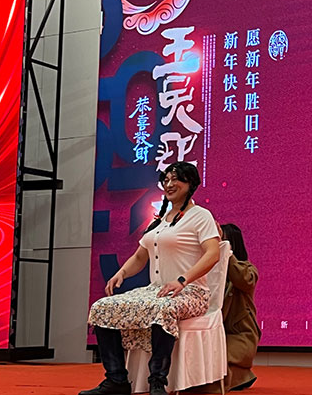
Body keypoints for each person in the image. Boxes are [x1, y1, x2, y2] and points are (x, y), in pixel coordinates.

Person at [80, 162, 221, 395]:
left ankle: (157, 381)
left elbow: (213, 254)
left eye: (176, 179)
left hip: (191, 293)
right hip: (156, 290)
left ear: (190, 183)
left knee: (162, 309)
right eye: (166, 180)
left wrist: (182, 280)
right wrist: (121, 273)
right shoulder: (161, 219)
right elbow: (139, 256)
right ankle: (116, 379)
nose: (169, 184)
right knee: (102, 308)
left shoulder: (201, 216)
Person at [202, 223, 261, 392]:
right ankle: (243, 377)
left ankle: (239, 376)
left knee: (216, 370)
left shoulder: (248, 270)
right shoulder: (208, 274)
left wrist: (224, 250)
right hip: (213, 334)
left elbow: (243, 280)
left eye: (220, 243)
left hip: (240, 335)